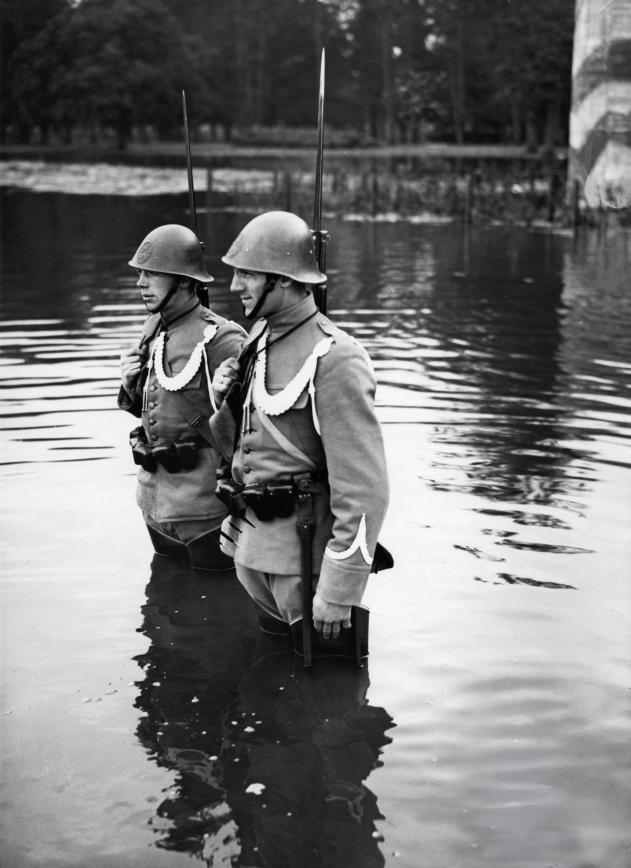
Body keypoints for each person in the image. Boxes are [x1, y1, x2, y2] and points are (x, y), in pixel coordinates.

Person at [209, 210, 390, 647]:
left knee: (324, 693)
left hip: (306, 568)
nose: (234, 287)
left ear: (285, 279)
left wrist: (338, 589)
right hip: (253, 551)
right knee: (275, 683)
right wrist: (224, 397)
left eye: (247, 275)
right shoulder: (259, 339)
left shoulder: (336, 358)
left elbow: (365, 490)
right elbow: (245, 443)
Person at [118, 223, 246, 570]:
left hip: (203, 506)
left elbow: (251, 425)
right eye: (140, 273)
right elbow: (156, 410)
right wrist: (130, 387)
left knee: (215, 599)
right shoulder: (153, 327)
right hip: (154, 500)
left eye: (153, 274)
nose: (140, 283)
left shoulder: (221, 338)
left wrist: (223, 398)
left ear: (185, 281)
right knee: (164, 598)